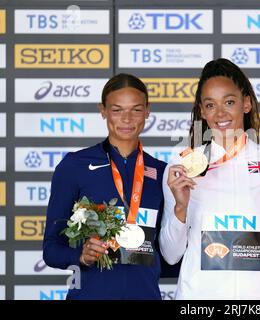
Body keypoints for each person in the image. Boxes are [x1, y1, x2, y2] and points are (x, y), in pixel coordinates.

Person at [159, 58, 260, 299]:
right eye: (211, 105)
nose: (221, 113)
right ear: (202, 111)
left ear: (246, 103)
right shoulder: (182, 168)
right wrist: (181, 207)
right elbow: (170, 254)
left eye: (229, 102)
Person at [43, 73, 168, 299]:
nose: (127, 118)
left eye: (136, 109)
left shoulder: (162, 172)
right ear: (103, 110)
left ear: (148, 111)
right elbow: (51, 249)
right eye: (117, 109)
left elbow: (169, 252)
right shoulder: (75, 165)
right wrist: (80, 256)